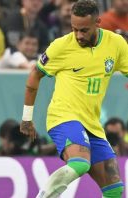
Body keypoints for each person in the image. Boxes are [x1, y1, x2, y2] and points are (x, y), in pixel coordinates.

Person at [20, 0, 127, 197]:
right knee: (79, 163)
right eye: (74, 29)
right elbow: (35, 75)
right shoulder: (61, 46)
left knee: (115, 190)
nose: (78, 35)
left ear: (98, 22)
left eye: (84, 30)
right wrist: (27, 117)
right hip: (63, 116)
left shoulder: (116, 44)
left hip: (92, 124)